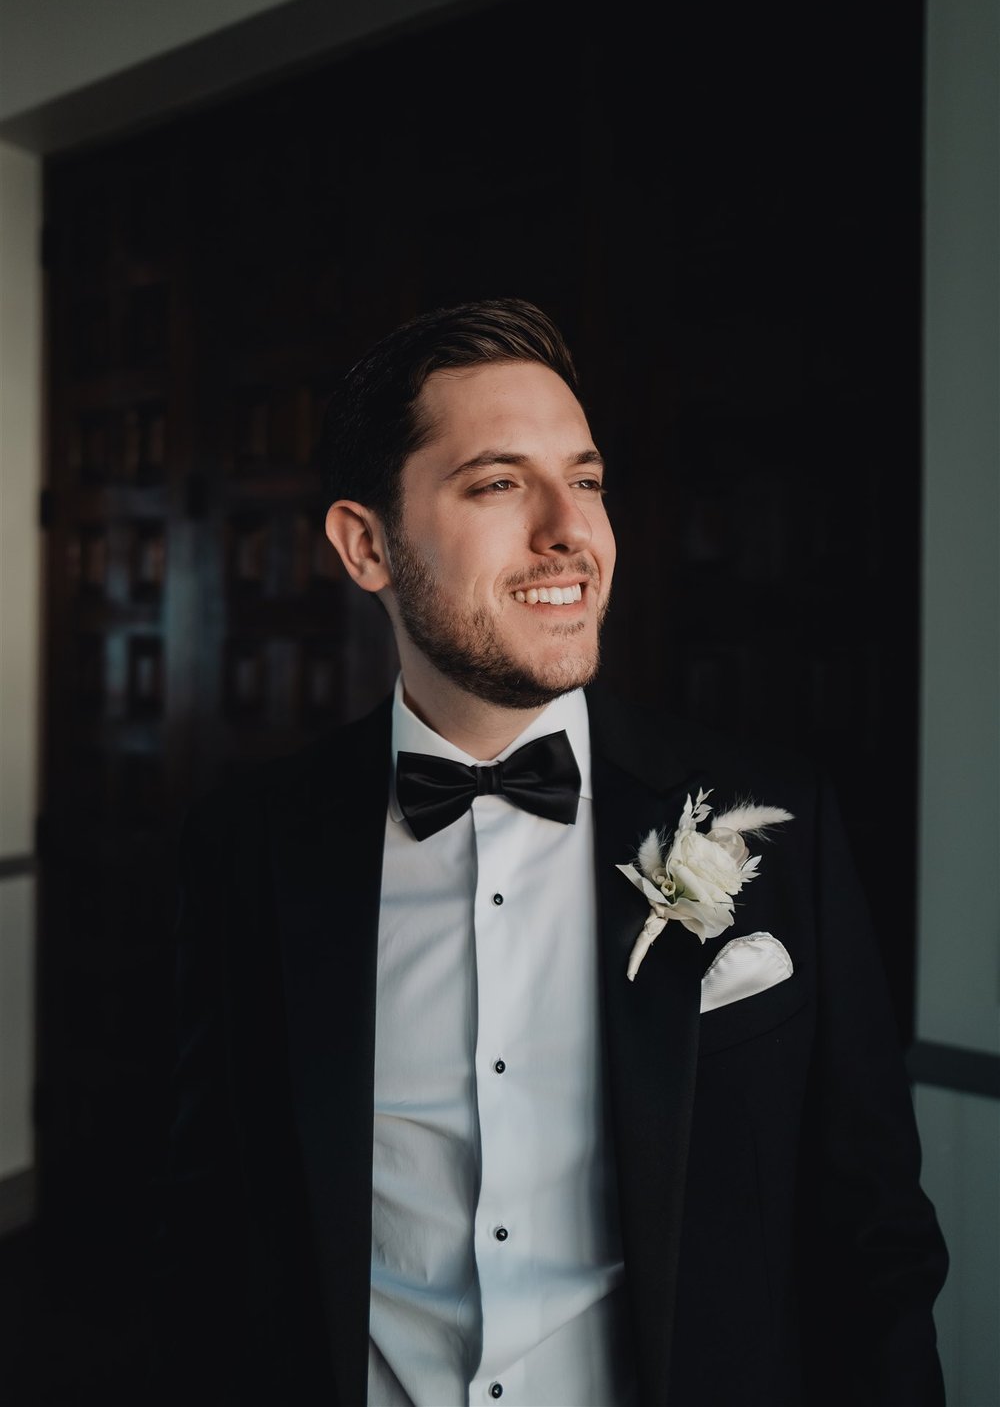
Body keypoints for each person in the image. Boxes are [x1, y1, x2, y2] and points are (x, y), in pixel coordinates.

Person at [151, 299, 948, 1406]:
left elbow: (874, 1240)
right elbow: (215, 1231)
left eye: (584, 477)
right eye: (496, 482)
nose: (569, 528)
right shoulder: (245, 847)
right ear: (366, 544)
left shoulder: (783, 819)